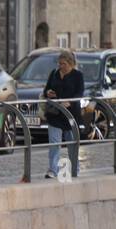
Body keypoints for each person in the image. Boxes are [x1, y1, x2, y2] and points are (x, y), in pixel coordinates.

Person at [43, 50, 84, 179]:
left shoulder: (78, 75)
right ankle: (53, 170)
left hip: (70, 115)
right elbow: (46, 89)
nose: (61, 66)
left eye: (64, 64)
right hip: (55, 113)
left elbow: (79, 93)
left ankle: (74, 169)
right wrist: (48, 93)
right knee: (54, 143)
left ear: (71, 64)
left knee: (72, 143)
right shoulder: (54, 73)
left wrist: (70, 102)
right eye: (59, 63)